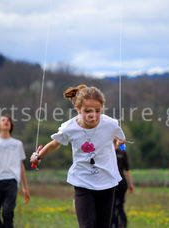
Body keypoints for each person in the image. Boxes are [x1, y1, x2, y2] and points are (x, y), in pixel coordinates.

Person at [30, 85, 126, 228]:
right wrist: (38, 156)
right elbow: (55, 144)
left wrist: (117, 143)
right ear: (78, 109)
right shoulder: (70, 127)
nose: (93, 115)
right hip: (83, 182)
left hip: (106, 181)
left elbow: (120, 140)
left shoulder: (110, 124)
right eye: (87, 111)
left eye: (97, 111)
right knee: (87, 225)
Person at [111, 140, 134, 228]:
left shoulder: (121, 151)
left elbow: (127, 169)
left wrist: (131, 184)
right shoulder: (112, 150)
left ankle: (120, 225)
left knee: (117, 206)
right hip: (113, 183)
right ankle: (116, 224)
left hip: (120, 184)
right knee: (114, 206)